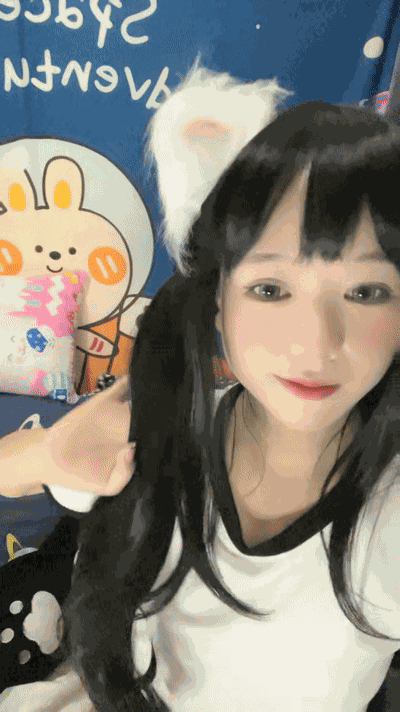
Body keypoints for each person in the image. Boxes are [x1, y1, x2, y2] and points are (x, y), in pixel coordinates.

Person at [2, 98, 400, 712]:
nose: (315, 344)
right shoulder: (163, 427)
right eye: (270, 289)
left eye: (366, 291)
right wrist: (50, 456)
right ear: (220, 304)